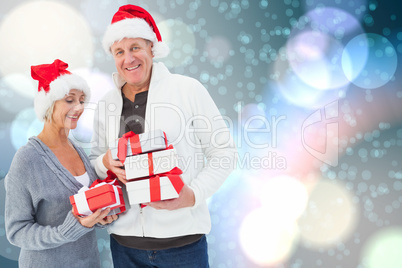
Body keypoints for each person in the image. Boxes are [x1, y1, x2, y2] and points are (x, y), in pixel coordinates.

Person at [89, 4, 237, 267]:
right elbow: (93, 162)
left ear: (151, 48)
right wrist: (104, 162)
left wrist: (192, 194)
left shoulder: (187, 90)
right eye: (119, 51)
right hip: (125, 247)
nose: (128, 59)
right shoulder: (106, 105)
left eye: (135, 47)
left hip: (183, 246)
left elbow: (224, 153)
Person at [5, 59, 117, 268]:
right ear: (49, 103)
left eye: (82, 100)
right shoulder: (27, 159)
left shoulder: (78, 149)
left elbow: (84, 210)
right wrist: (67, 230)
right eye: (69, 100)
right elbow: (17, 231)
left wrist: (99, 217)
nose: (78, 107)